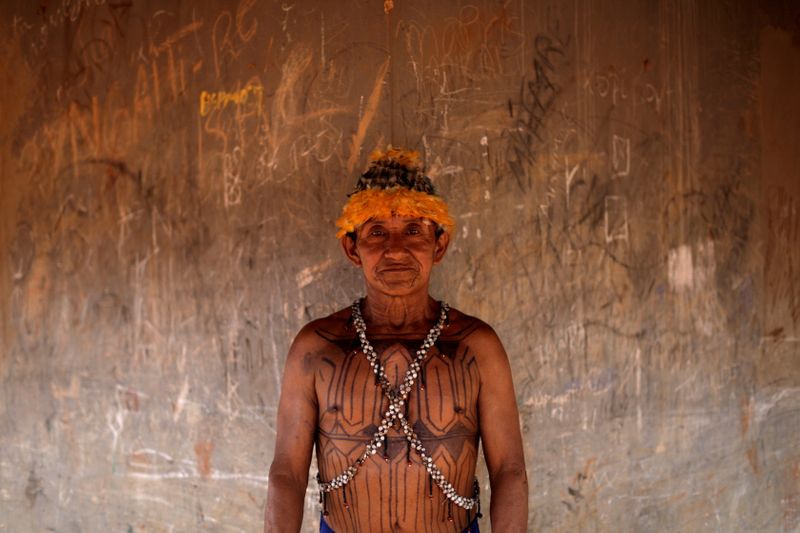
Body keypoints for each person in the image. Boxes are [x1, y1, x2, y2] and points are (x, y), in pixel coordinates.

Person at [265, 148, 528, 532]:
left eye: (414, 230)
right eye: (376, 231)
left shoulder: (477, 346)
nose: (396, 249)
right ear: (352, 247)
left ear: (439, 245)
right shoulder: (316, 347)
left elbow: (510, 470)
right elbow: (286, 474)